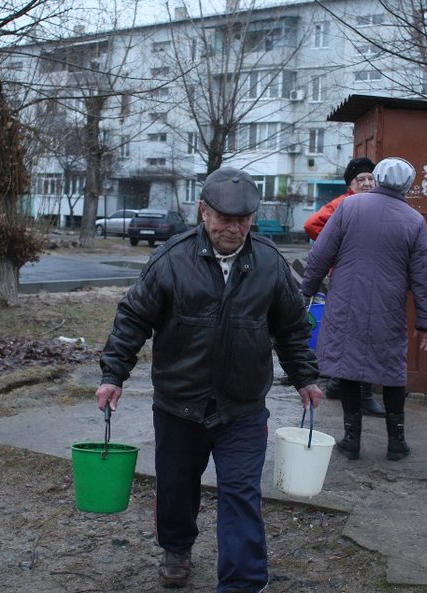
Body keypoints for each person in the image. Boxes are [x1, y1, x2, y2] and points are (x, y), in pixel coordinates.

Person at [95, 167, 324, 593]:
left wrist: (305, 378)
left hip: (242, 406)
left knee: (239, 494)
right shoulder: (171, 259)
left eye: (242, 220)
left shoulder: (270, 263)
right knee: (177, 488)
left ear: (252, 219)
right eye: (223, 218)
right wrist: (113, 375)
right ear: (203, 211)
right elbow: (133, 318)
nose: (233, 228)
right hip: (179, 403)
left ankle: (242, 583)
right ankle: (176, 548)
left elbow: (292, 328)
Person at [301, 156, 427, 461]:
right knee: (391, 370)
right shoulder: (414, 220)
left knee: (348, 369)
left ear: (376, 177)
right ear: (407, 185)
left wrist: (305, 293)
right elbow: (423, 276)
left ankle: (351, 440)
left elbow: (321, 254)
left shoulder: (349, 207)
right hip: (389, 308)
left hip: (346, 303)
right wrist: (425, 321)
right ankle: (396, 441)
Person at [303, 157, 386, 417]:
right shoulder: (342, 204)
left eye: (370, 178)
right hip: (348, 278)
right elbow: (311, 225)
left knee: (353, 331)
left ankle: (339, 383)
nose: (367, 183)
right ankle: (363, 393)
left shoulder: (380, 204)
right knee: (358, 332)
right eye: (360, 179)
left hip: (370, 277)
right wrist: (336, 244)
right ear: (350, 184)